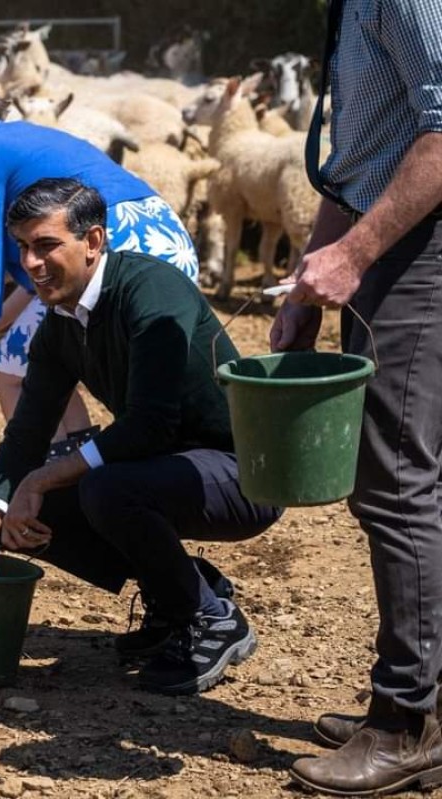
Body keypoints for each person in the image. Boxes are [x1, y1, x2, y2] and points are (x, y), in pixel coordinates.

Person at [0, 178, 283, 695]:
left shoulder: (151, 291)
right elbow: (25, 436)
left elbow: (151, 423)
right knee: (19, 506)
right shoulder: (62, 322)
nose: (32, 263)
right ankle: (179, 589)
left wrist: (44, 477)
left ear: (92, 242)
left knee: (103, 490)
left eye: (46, 245)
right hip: (167, 465)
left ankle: (210, 618)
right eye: (23, 248)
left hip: (245, 473)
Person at [275, 0, 442, 794]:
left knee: (397, 485)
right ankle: (427, 697)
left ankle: (405, 722)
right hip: (390, 244)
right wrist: (311, 277)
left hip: (421, 251)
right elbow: (361, 158)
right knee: (415, 482)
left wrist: (358, 254)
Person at [0, 72, 199, 425]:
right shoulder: (24, 136)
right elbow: (45, 267)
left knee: (11, 370)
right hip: (164, 235)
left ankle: (54, 475)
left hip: (111, 245)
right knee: (53, 359)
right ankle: (78, 464)